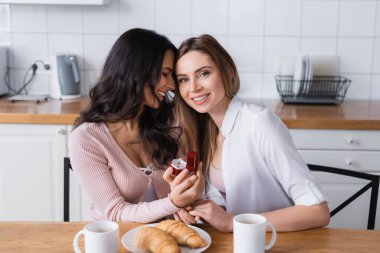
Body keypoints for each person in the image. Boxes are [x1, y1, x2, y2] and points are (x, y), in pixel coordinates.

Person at [167, 34, 330, 232]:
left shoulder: (259, 123)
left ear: (228, 70)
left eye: (203, 73)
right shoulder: (206, 131)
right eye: (183, 79)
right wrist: (195, 207)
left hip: (278, 244)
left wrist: (231, 222)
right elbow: (227, 203)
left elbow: (318, 212)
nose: (193, 88)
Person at [68, 28, 204, 222]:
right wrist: (173, 203)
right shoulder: (87, 139)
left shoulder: (168, 125)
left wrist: (187, 204)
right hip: (112, 241)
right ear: (137, 72)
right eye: (164, 74)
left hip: (159, 239)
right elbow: (116, 212)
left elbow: (176, 197)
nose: (171, 85)